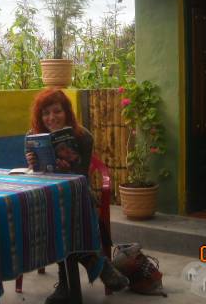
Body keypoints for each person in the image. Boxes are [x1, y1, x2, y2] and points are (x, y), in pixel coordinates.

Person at [25, 89, 129, 304]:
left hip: (76, 193)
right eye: (46, 113)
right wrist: (33, 163)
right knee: (48, 211)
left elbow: (81, 177)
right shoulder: (33, 136)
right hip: (46, 193)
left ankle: (66, 284)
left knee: (63, 211)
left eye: (57, 111)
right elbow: (35, 176)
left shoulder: (82, 137)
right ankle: (94, 260)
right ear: (39, 116)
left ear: (67, 112)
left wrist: (66, 167)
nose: (51, 118)